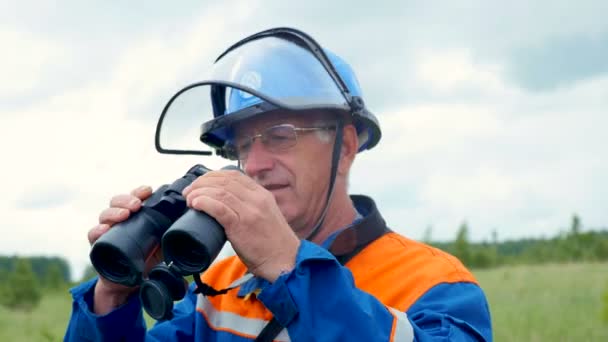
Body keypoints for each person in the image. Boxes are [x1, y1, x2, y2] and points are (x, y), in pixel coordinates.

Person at [65, 27, 492, 341]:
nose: (254, 165)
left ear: (343, 147)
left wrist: (289, 266)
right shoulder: (218, 285)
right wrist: (113, 298)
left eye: (280, 135)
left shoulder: (436, 285)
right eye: (241, 146)